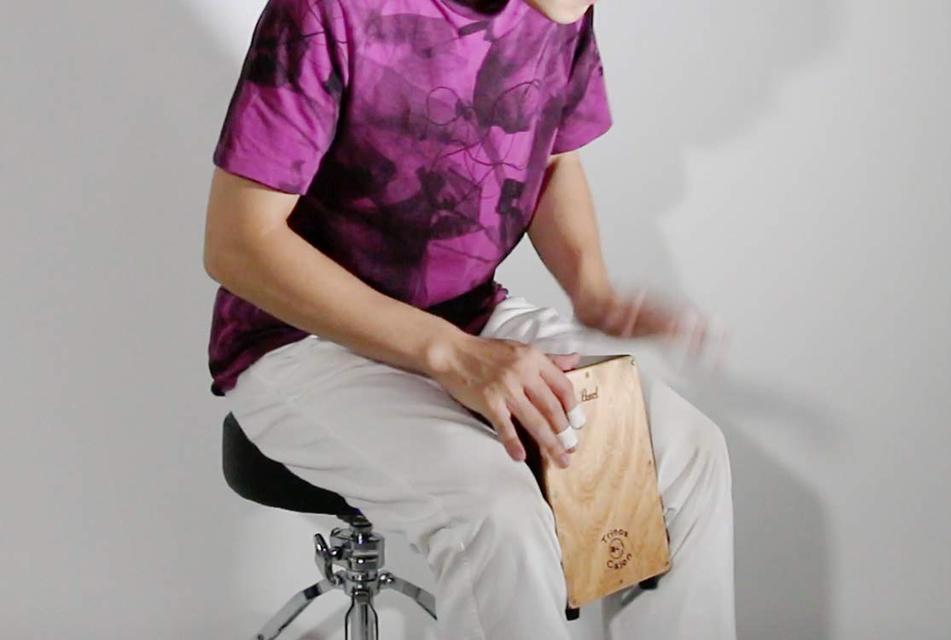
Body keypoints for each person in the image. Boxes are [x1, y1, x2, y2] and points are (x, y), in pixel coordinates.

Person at [202, 0, 736, 637]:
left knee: (684, 457)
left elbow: (552, 153)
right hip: (300, 341)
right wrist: (449, 355)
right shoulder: (326, 10)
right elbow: (238, 244)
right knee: (496, 513)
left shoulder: (561, 9)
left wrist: (591, 291)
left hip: (467, 317)